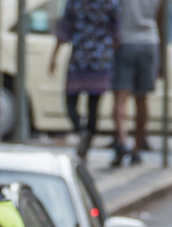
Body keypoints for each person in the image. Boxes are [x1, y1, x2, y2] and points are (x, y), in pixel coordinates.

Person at [51, 0, 120, 163]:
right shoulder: (110, 3)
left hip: (80, 58)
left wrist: (53, 56)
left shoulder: (75, 2)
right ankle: (86, 142)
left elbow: (64, 31)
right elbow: (117, 34)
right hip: (100, 60)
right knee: (93, 107)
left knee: (70, 102)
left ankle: (82, 133)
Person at [112, 0, 163, 167]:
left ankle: (122, 140)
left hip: (125, 41)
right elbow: (160, 18)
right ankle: (136, 149)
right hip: (149, 41)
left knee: (120, 98)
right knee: (141, 99)